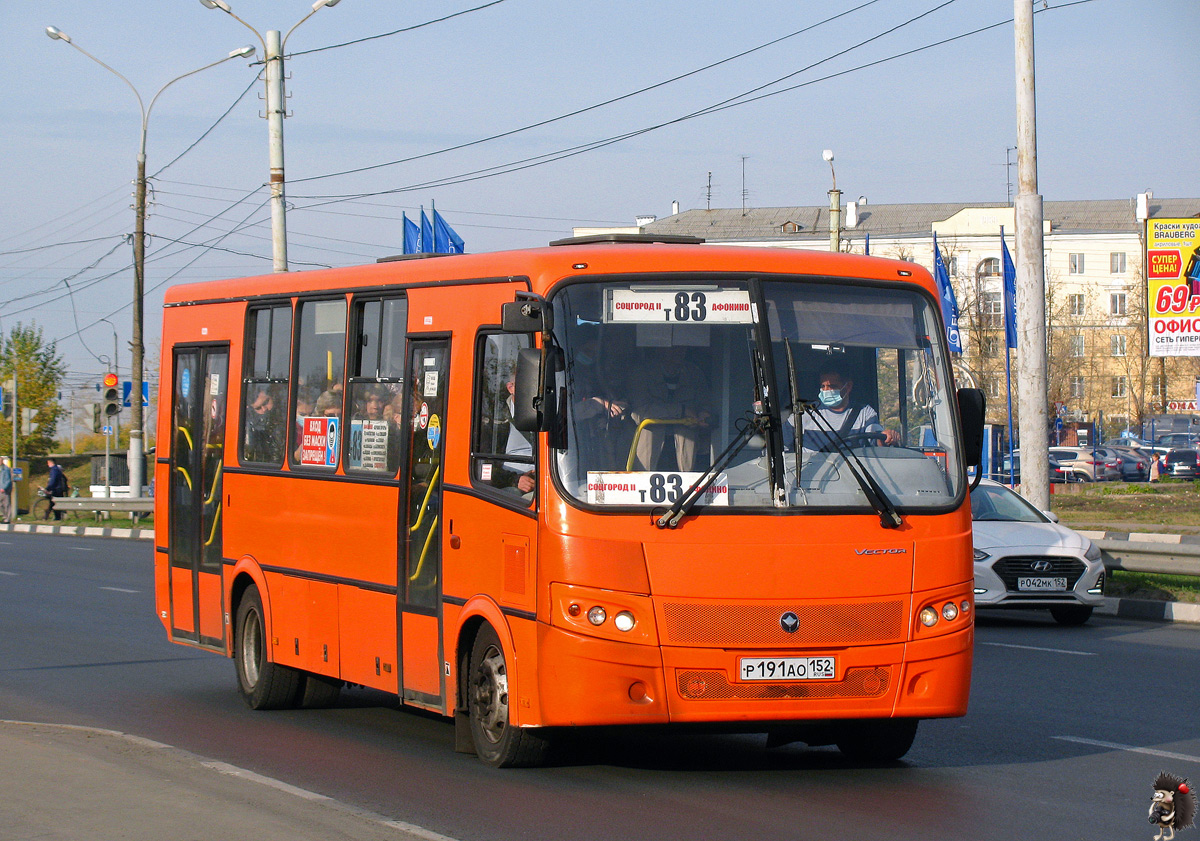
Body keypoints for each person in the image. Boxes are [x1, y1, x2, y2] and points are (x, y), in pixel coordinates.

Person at [794, 365, 898, 452]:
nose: (826, 390)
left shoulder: (865, 413)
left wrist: (886, 436)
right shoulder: (804, 413)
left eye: (832, 386)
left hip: (854, 474)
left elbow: (875, 436)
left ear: (848, 386)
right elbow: (782, 447)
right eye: (822, 386)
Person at [0, 456, 12, 524]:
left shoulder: (5, 469)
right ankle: (5, 516)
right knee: (1, 505)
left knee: (6, 504)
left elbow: (8, 480)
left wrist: (3, 488)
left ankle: (7, 519)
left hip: (4, 490)